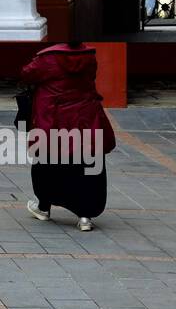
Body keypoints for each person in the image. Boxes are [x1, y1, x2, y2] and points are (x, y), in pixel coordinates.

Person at [21, 40, 116, 232]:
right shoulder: (89, 57)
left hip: (54, 119)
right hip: (85, 118)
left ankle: (43, 207)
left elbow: (26, 74)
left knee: (48, 163)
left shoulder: (48, 58)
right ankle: (84, 217)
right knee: (86, 167)